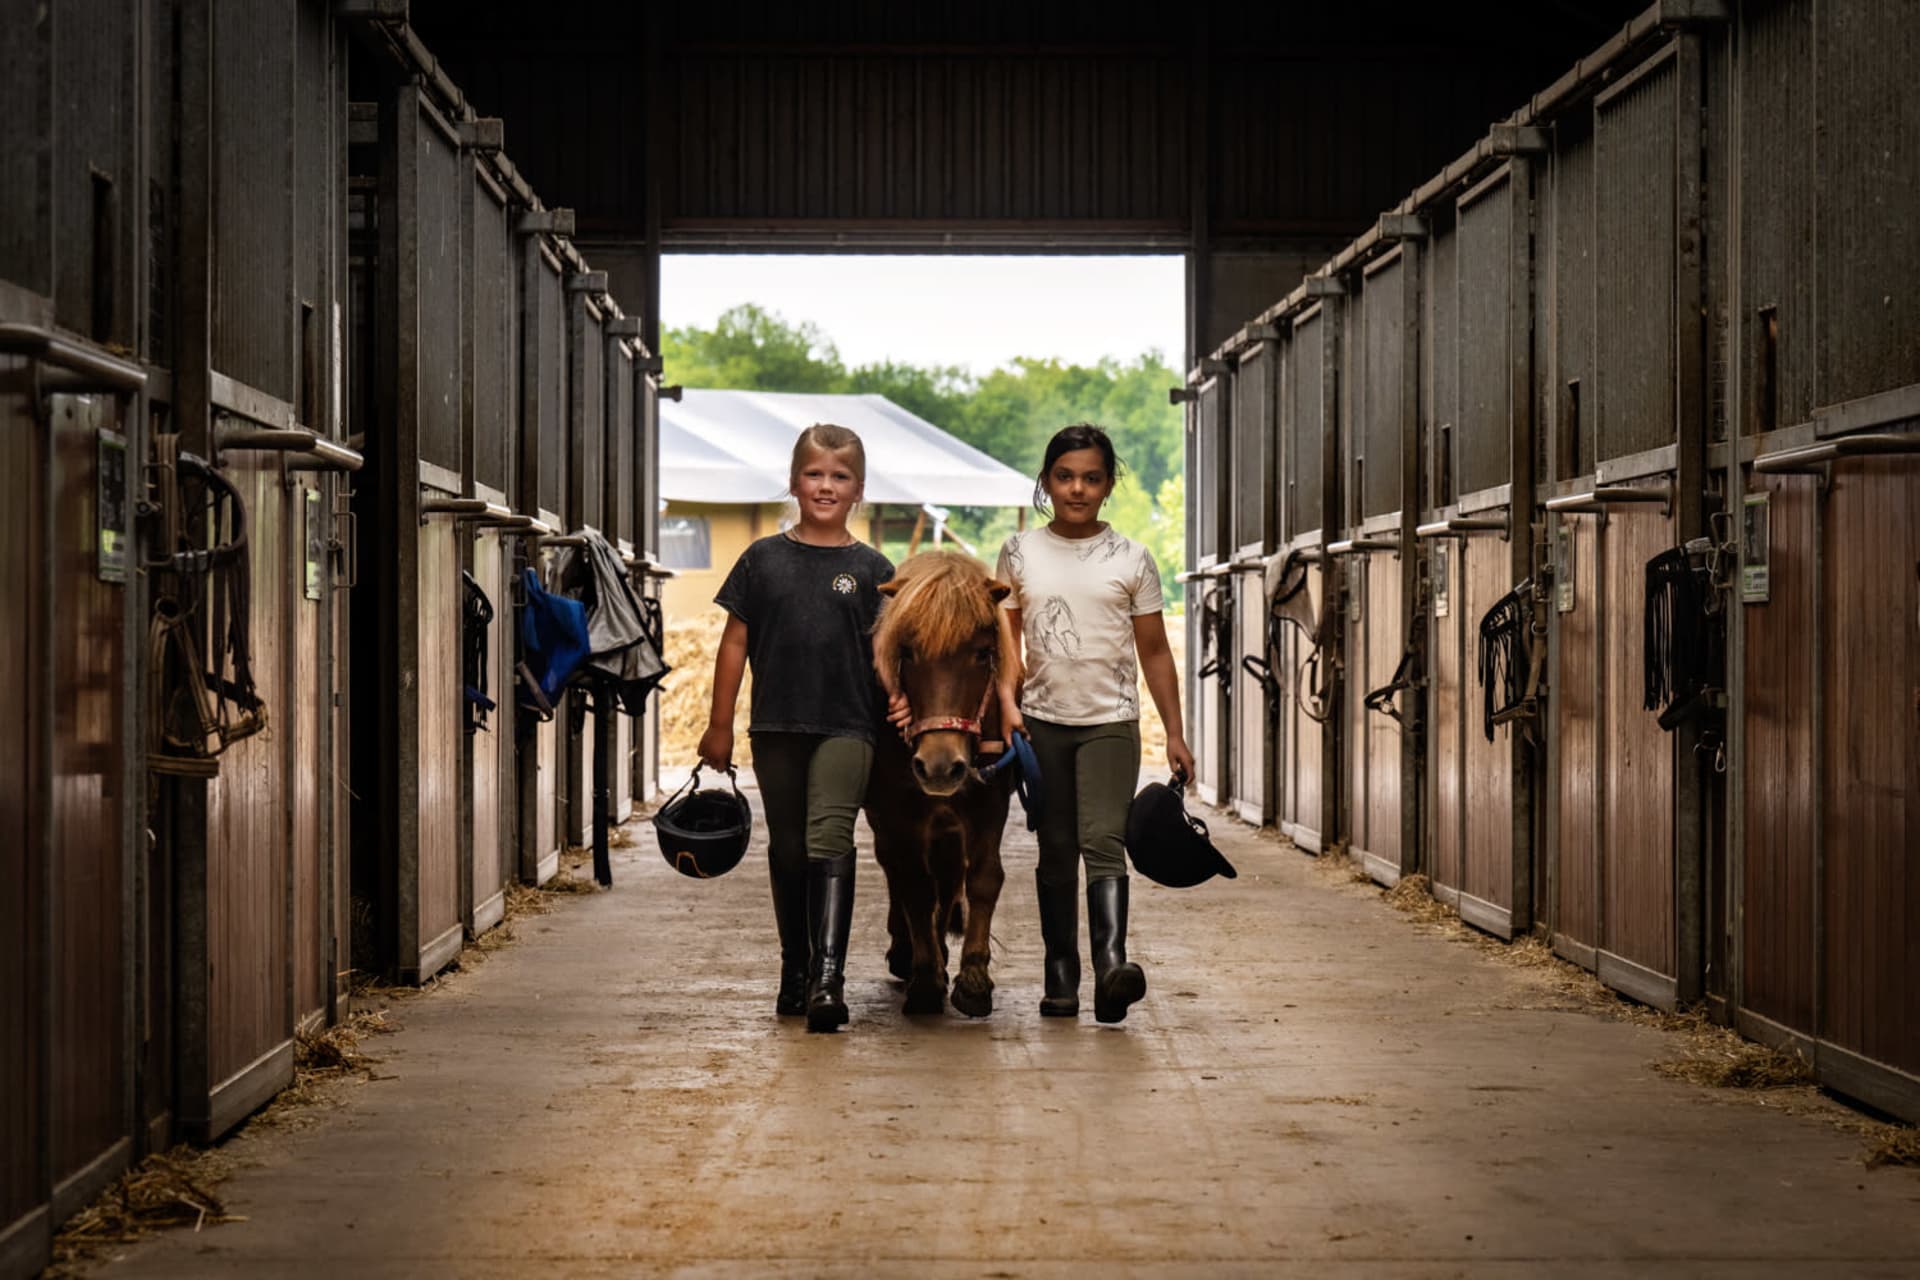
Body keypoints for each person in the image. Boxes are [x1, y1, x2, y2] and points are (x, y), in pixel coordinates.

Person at [994, 424, 1194, 1024]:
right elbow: (1005, 643)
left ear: (1108, 485)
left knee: (1103, 840)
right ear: (1046, 481)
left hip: (1110, 721)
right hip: (1041, 723)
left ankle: (1111, 968)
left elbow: (1154, 651)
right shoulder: (1018, 553)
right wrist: (1007, 702)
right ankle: (1060, 976)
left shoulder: (1132, 558)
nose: (1077, 489)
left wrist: (1174, 731)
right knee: (1055, 848)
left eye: (1091, 478)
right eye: (1065, 477)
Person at [699, 424, 894, 1033]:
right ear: (793, 482)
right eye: (814, 474)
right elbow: (735, 644)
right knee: (787, 848)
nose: (826, 486)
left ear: (859, 488)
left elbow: (888, 654)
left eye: (839, 476)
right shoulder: (762, 560)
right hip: (777, 726)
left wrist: (904, 705)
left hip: (848, 726)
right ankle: (796, 970)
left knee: (828, 838)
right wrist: (719, 725)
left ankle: (829, 979)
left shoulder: (874, 569)